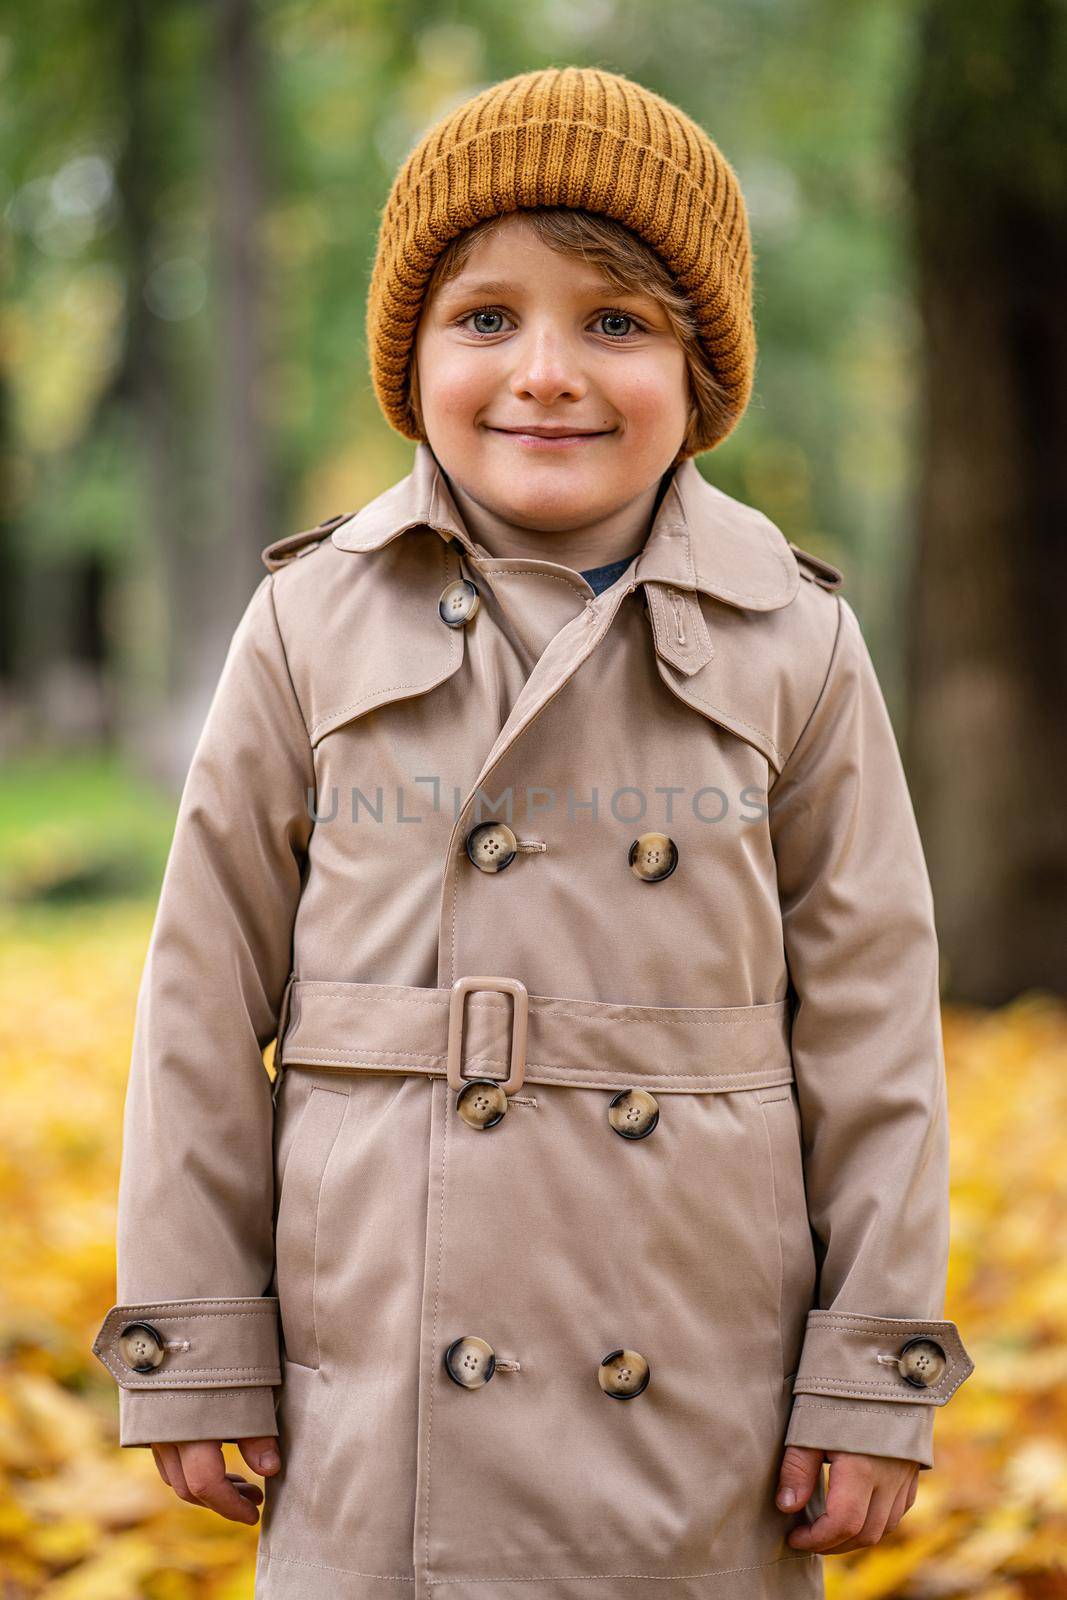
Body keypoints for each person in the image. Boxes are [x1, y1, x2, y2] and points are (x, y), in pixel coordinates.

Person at [92, 64, 975, 1598]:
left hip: (696, 1386)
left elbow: (876, 1036)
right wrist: (193, 1336)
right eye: (486, 318)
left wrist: (872, 1369)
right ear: (411, 352)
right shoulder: (308, 624)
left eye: (615, 322)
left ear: (702, 371)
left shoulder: (796, 644)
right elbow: (199, 998)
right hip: (375, 1381)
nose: (546, 372)